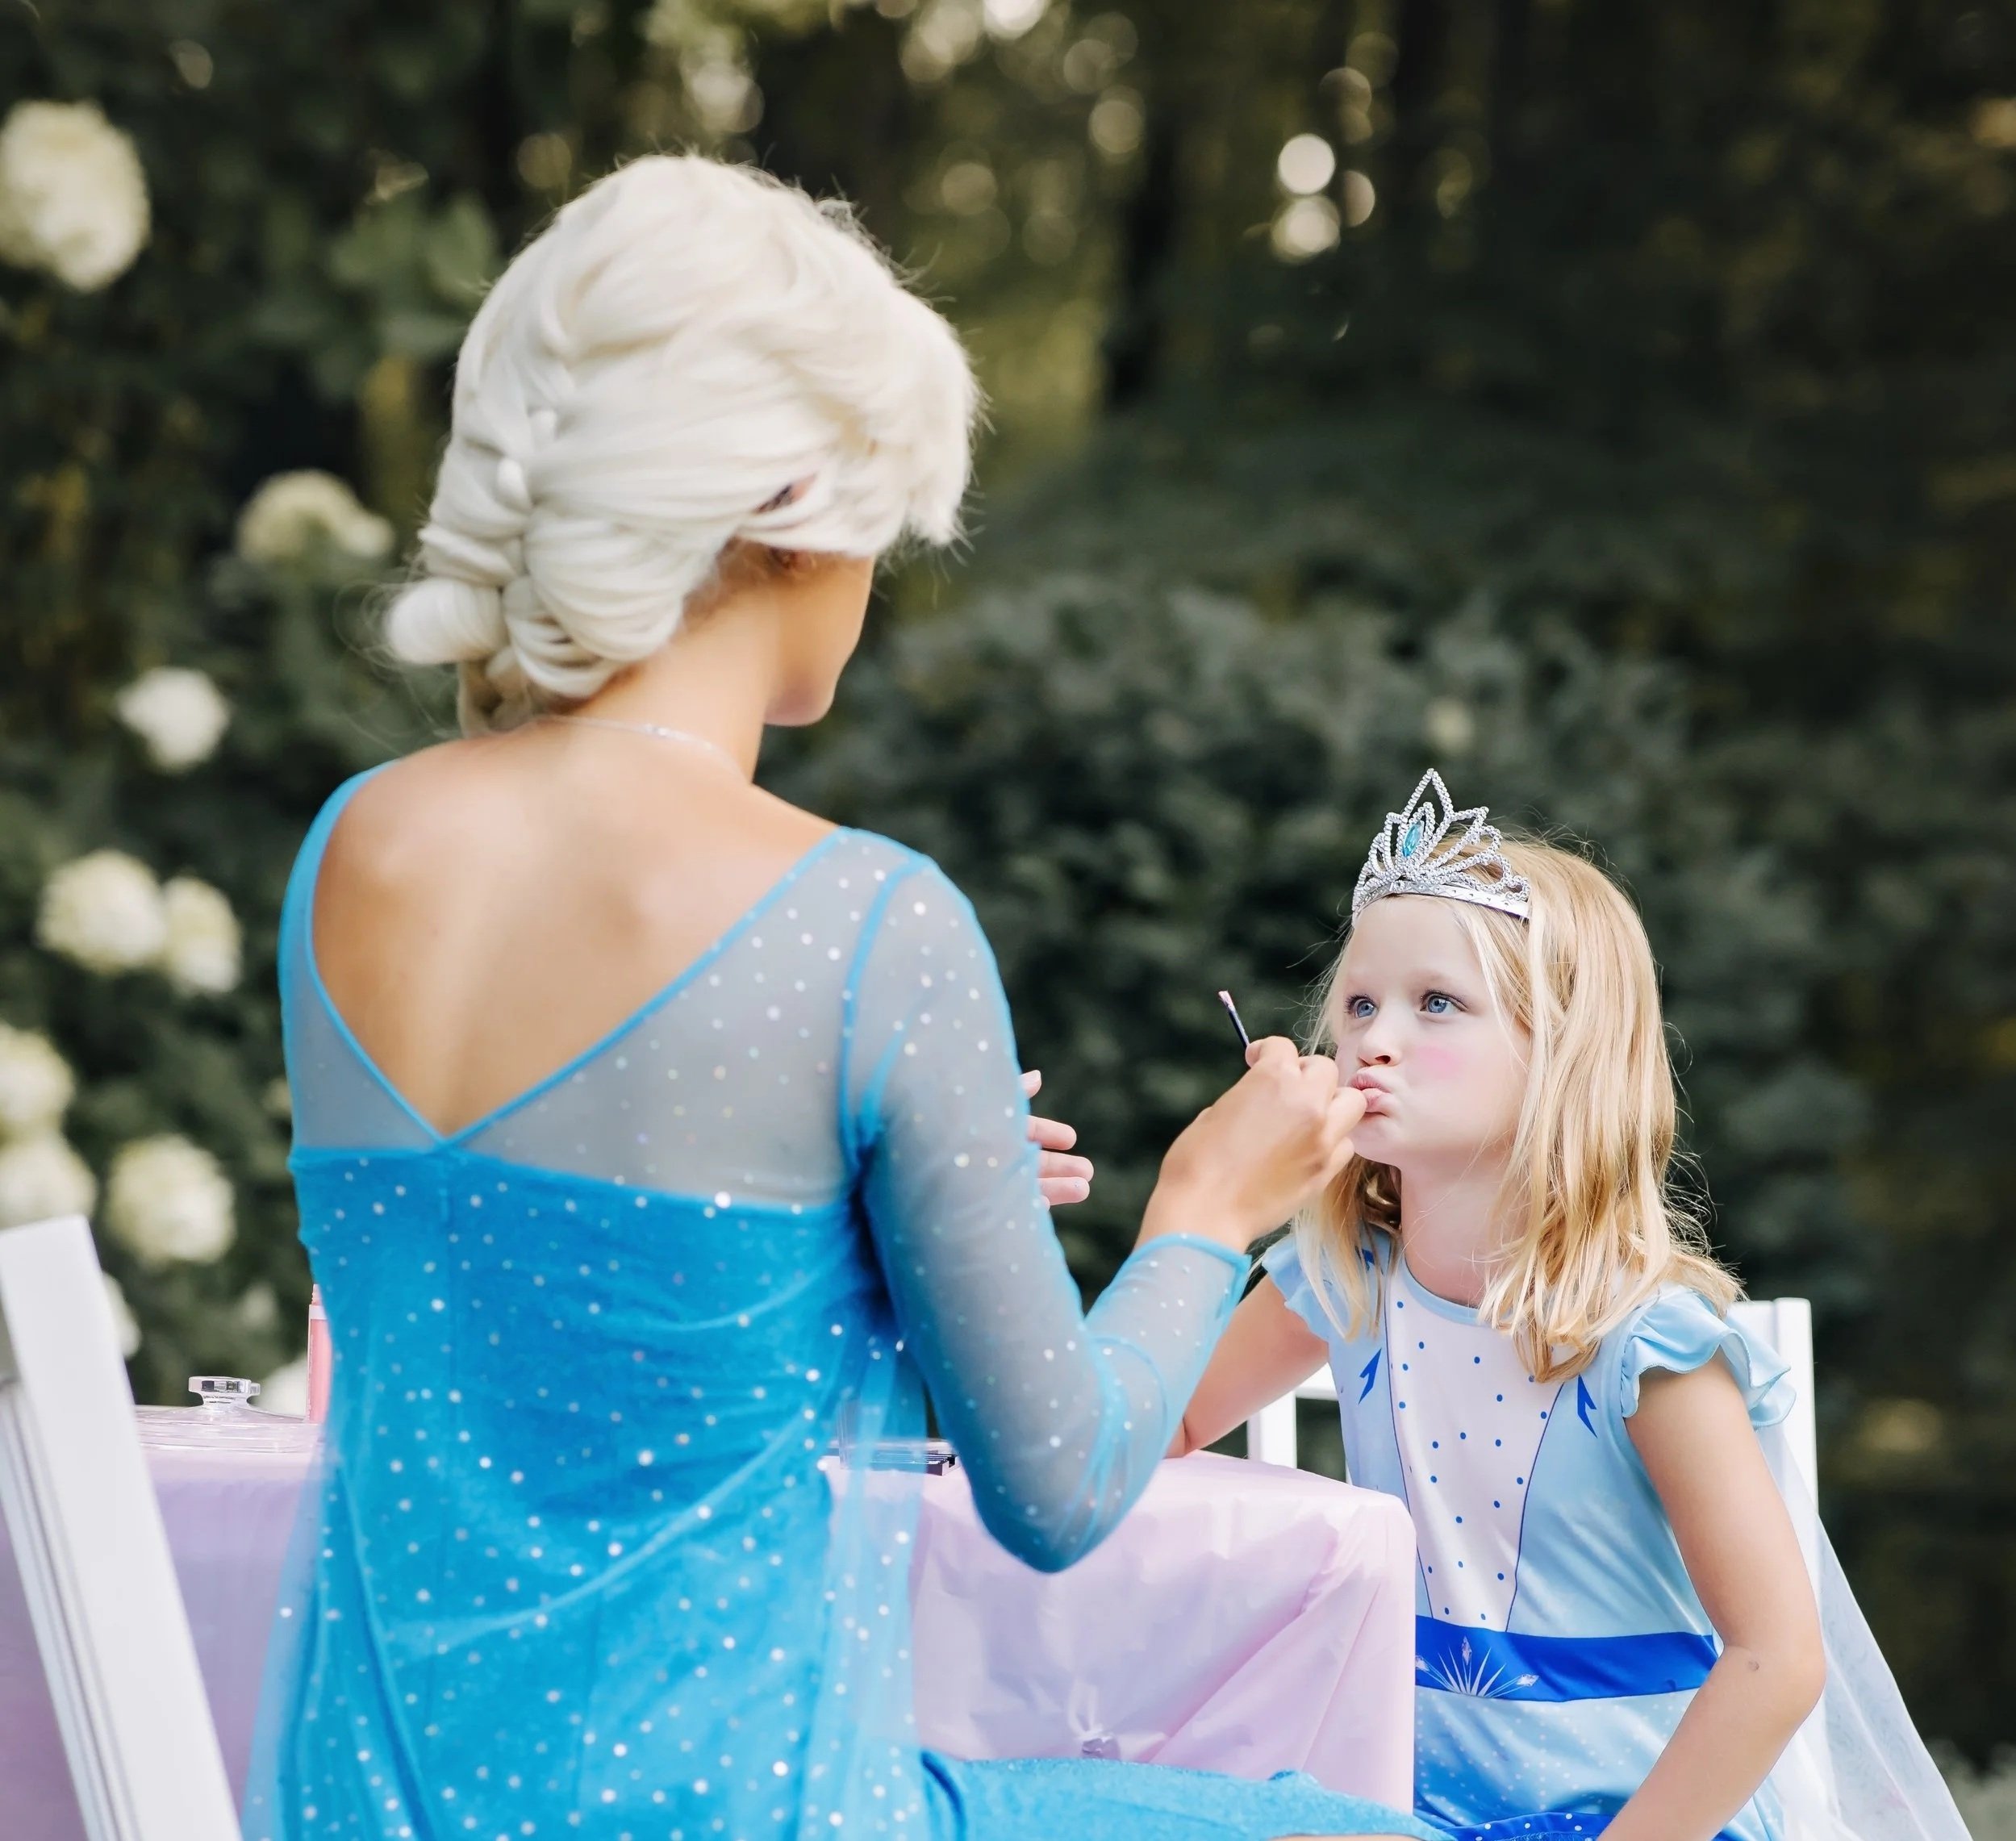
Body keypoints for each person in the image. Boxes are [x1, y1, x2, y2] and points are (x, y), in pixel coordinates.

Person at [242, 155, 1432, 1841]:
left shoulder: (349, 853)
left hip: (364, 1803)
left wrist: (853, 1235)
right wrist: (1205, 1202)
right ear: (795, 509)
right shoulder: (867, 925)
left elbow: (553, 1297)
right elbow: (1061, 1486)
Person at [1173, 772, 1968, 1841]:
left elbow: (1777, 1658)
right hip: (1417, 1808)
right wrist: (1212, 1204)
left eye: (1435, 1001)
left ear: (1562, 1053)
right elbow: (1152, 1422)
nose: (1373, 1037)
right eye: (1359, 1002)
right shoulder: (1345, 1276)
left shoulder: (1647, 1344)